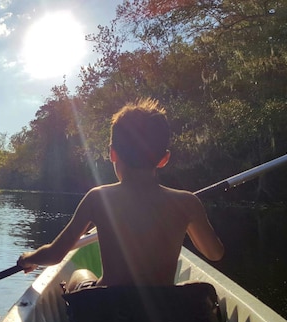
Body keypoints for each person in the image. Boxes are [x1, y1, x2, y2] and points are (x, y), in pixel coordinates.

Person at [17, 98, 224, 292]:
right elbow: (215, 254)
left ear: (112, 153)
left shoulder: (98, 198)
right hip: (163, 310)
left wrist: (30, 257)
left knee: (80, 275)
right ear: (164, 159)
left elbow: (55, 254)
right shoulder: (187, 202)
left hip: (110, 308)